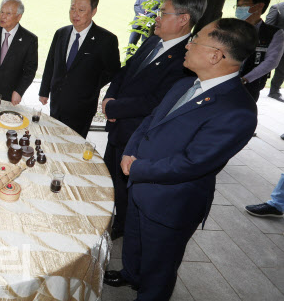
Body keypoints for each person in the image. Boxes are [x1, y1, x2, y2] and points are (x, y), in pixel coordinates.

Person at [104, 19, 259, 300]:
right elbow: (151, 120)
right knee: (136, 241)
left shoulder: (238, 111)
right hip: (141, 183)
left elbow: (194, 163)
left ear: (215, 55)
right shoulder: (185, 84)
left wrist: (138, 166)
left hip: (170, 202)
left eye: (196, 40)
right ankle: (130, 274)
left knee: (159, 266)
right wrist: (130, 151)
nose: (188, 44)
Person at [102, 0, 207, 239]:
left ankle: (124, 230)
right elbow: (126, 70)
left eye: (162, 12)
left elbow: (157, 101)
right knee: (111, 179)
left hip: (138, 135)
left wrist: (115, 108)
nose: (156, 17)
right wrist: (109, 98)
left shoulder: (186, 58)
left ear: (183, 19)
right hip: (118, 126)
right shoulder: (152, 41)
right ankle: (112, 220)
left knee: (129, 190)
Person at [38, 0, 121, 138]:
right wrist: (44, 90)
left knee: (73, 146)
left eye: (81, 10)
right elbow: (51, 63)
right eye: (72, 8)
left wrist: (90, 85)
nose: (75, 14)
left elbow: (113, 71)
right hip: (57, 101)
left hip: (82, 106)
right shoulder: (61, 33)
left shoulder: (106, 39)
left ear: (93, 11)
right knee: (53, 138)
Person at [235, 0, 284, 102]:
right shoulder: (229, 27)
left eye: (243, 5)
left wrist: (245, 79)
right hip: (222, 82)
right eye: (237, 6)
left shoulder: (273, 34)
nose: (239, 9)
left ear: (259, 6)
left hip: (250, 86)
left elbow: (271, 62)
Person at [265, 1, 284, 101]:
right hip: (276, 44)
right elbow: (268, 26)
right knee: (265, 67)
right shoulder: (277, 8)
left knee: (282, 70)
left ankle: (274, 91)